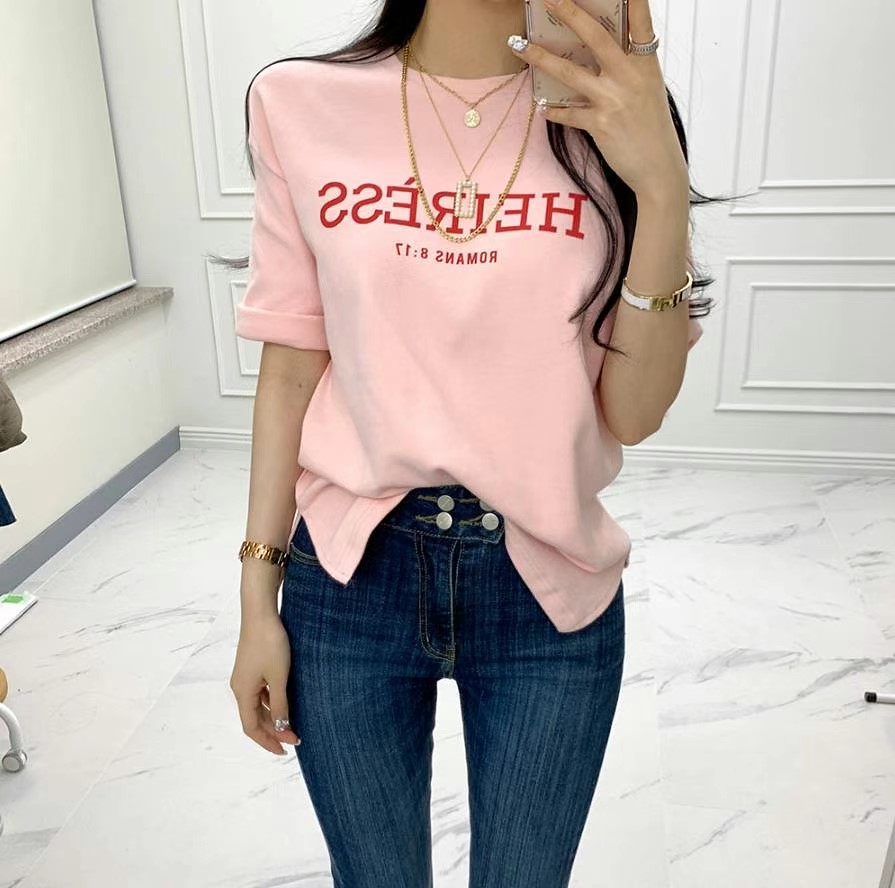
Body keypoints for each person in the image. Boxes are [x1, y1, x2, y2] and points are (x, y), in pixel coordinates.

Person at [228, 0, 710, 884]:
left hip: (546, 584)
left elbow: (634, 414)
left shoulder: (609, 110)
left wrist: (662, 184)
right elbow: (291, 369)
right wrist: (258, 600)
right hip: (349, 575)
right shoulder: (297, 102)